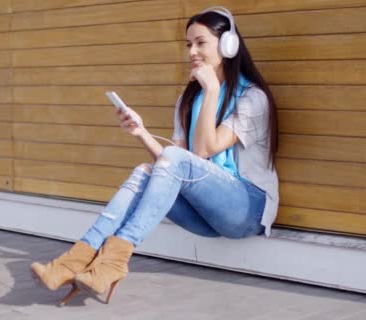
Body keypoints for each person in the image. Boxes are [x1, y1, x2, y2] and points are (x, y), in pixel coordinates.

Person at [30, 6, 279, 305]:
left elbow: (201, 152)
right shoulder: (188, 99)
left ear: (228, 45)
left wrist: (212, 91)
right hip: (207, 213)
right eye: (188, 45)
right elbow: (175, 166)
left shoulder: (253, 98)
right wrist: (142, 132)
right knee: (145, 171)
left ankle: (110, 263)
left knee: (173, 159)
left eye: (201, 43)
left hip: (247, 209)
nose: (192, 52)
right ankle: (77, 261)